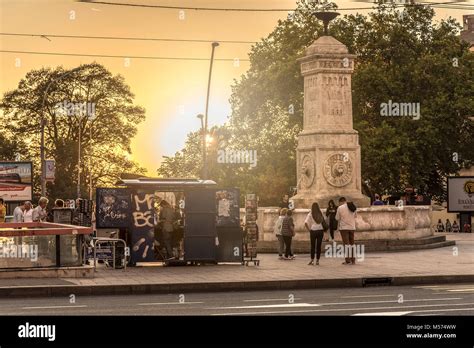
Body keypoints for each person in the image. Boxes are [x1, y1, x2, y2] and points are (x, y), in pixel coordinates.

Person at [335, 197, 357, 265]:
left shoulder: (340, 208)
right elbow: (355, 216)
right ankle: (353, 260)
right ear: (345, 200)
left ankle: (347, 260)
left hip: (344, 228)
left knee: (346, 244)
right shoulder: (352, 206)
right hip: (352, 227)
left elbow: (337, 218)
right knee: (352, 243)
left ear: (341, 202)